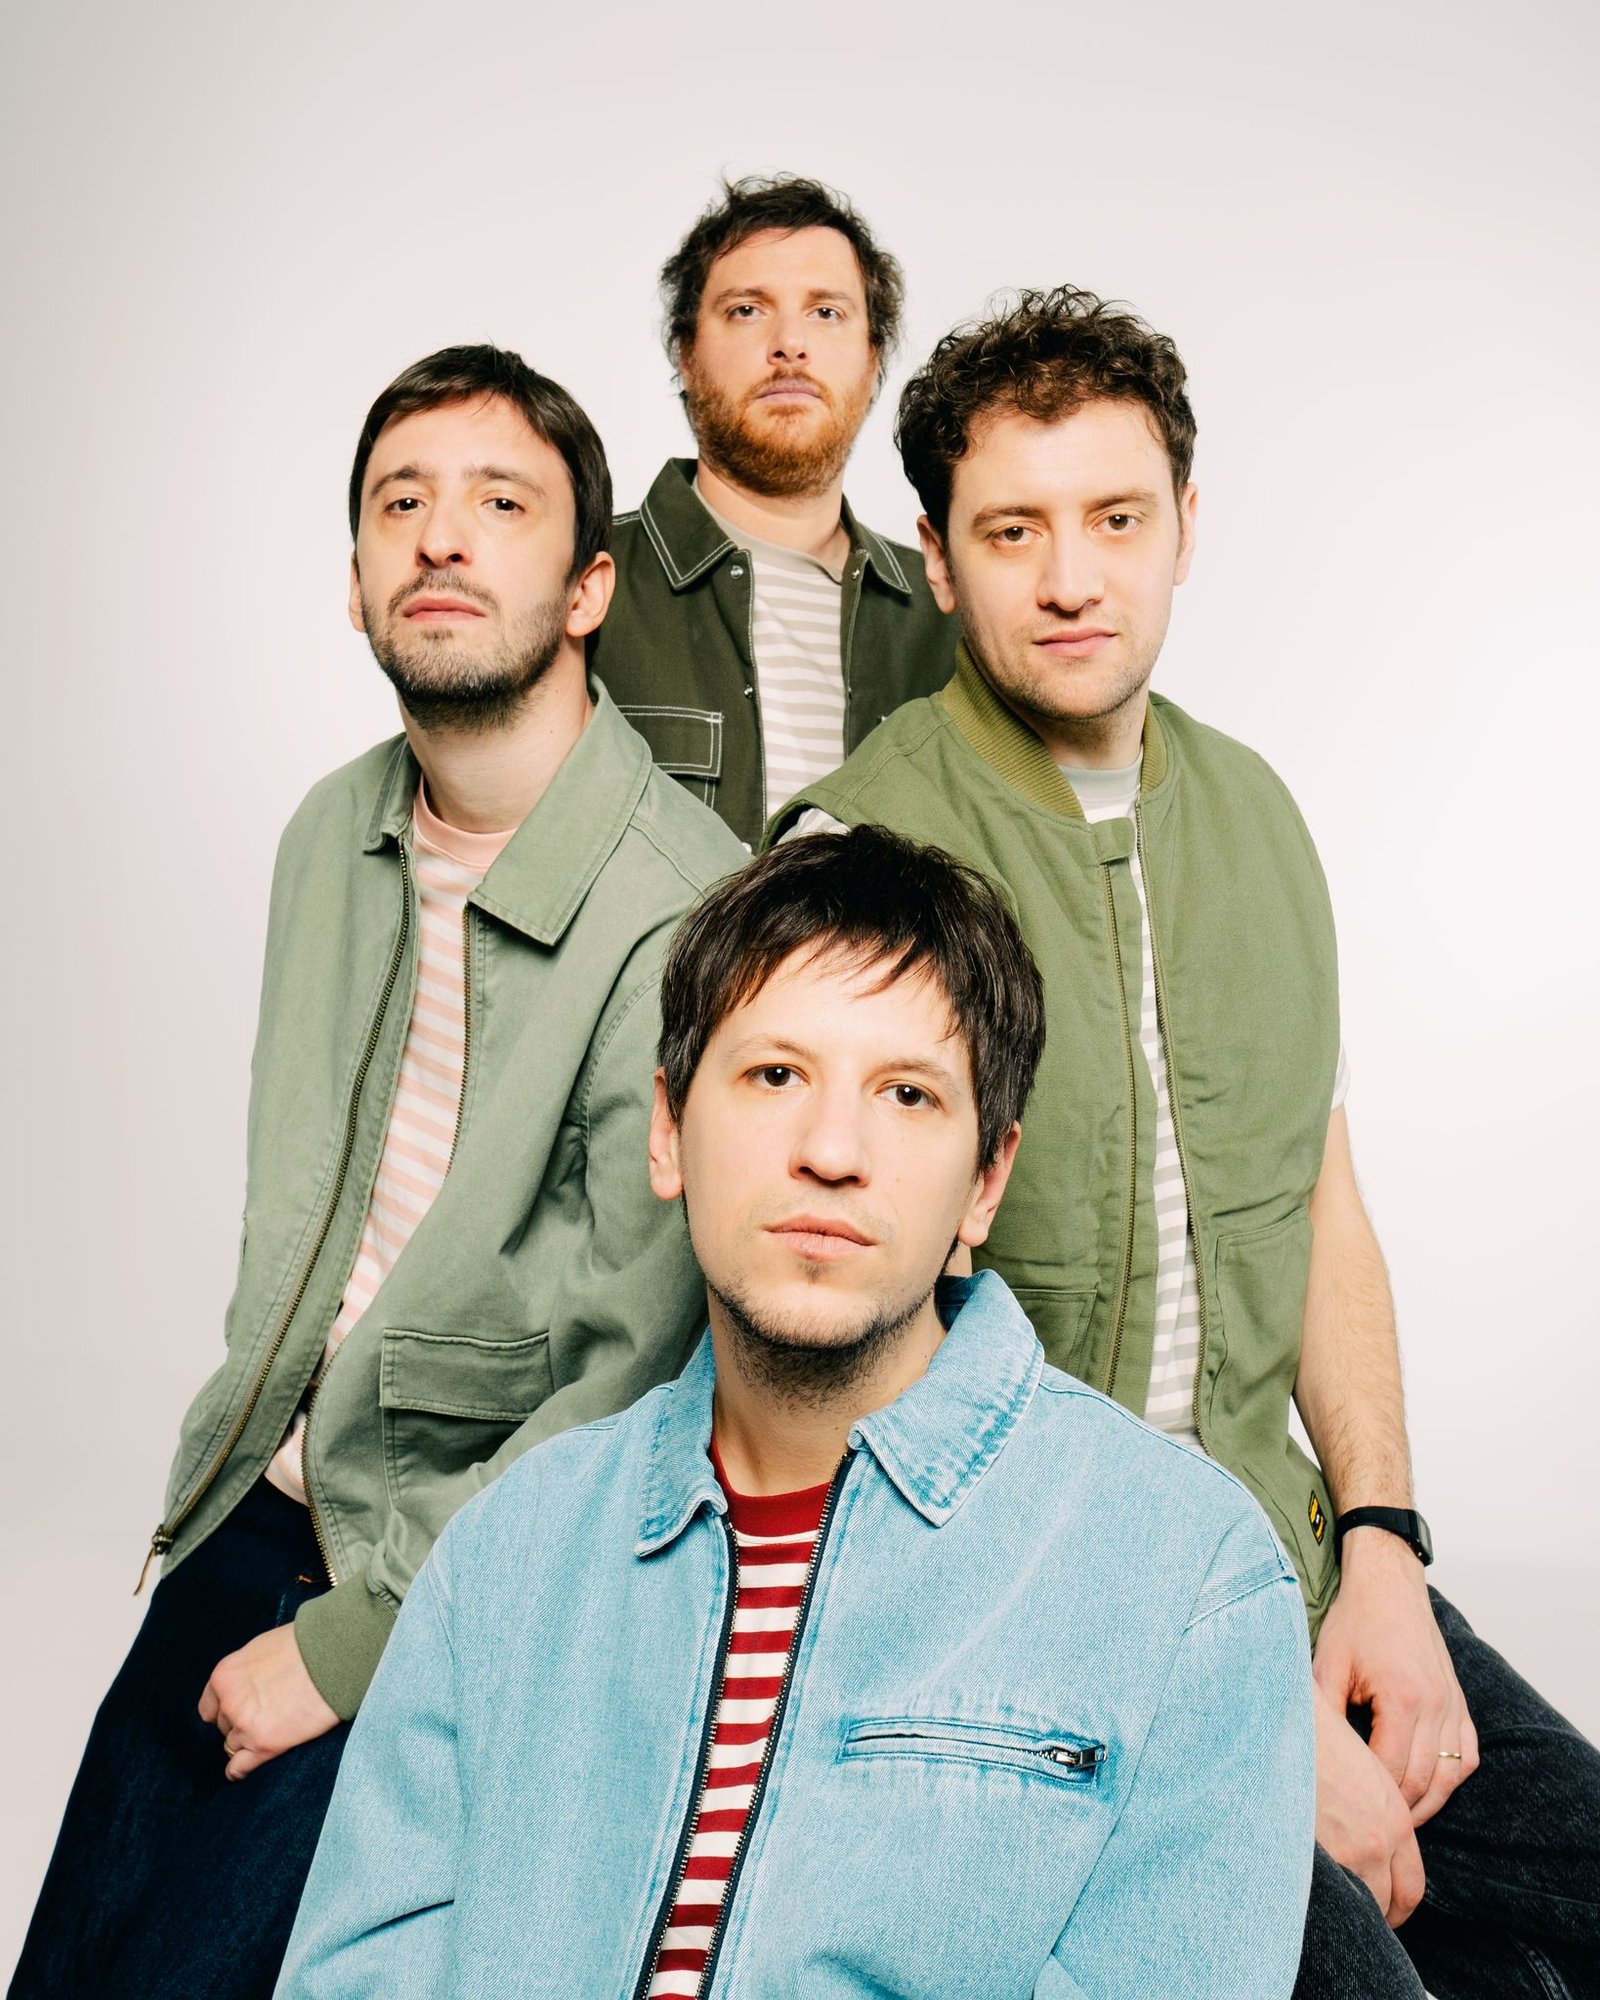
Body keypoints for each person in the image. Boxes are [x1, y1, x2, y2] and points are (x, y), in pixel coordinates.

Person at [773, 289, 1600, 1996]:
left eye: (1116, 519)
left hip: (1288, 1562)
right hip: (1028, 1625)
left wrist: (1381, 1548)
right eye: (1014, 530)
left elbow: (1319, 1204)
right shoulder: (863, 864)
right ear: (939, 561)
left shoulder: (1258, 817)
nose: (1072, 578)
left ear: (1187, 528)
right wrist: (1241, 1715)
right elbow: (830, 1375)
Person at [277, 827, 1314, 2000]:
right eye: (775, 1075)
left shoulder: (1189, 1579)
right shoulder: (505, 1555)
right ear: (667, 1128)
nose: (831, 1151)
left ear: (985, 1179)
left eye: (908, 1094)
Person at [11, 345, 744, 2000]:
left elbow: (625, 1383)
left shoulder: (689, 915)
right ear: (355, 582)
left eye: (500, 503)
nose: (441, 536)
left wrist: (358, 1642)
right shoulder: (331, 834)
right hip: (252, 1510)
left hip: (451, 1578)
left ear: (589, 588)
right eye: (400, 502)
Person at [589, 174, 956, 846]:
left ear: (873, 358)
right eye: (747, 310)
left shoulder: (953, 612)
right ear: (686, 354)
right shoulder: (581, 586)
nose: (790, 343)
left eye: (826, 312)